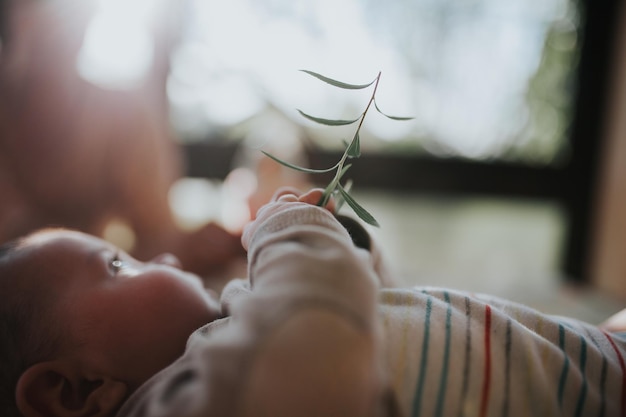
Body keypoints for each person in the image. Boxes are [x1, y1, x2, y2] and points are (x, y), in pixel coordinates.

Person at [1, 187, 625, 417]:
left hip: (581, 356)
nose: (160, 258)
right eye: (118, 264)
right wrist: (289, 237)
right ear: (72, 393)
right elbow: (322, 353)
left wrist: (349, 252)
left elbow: (364, 316)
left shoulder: (228, 335)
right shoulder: (186, 402)